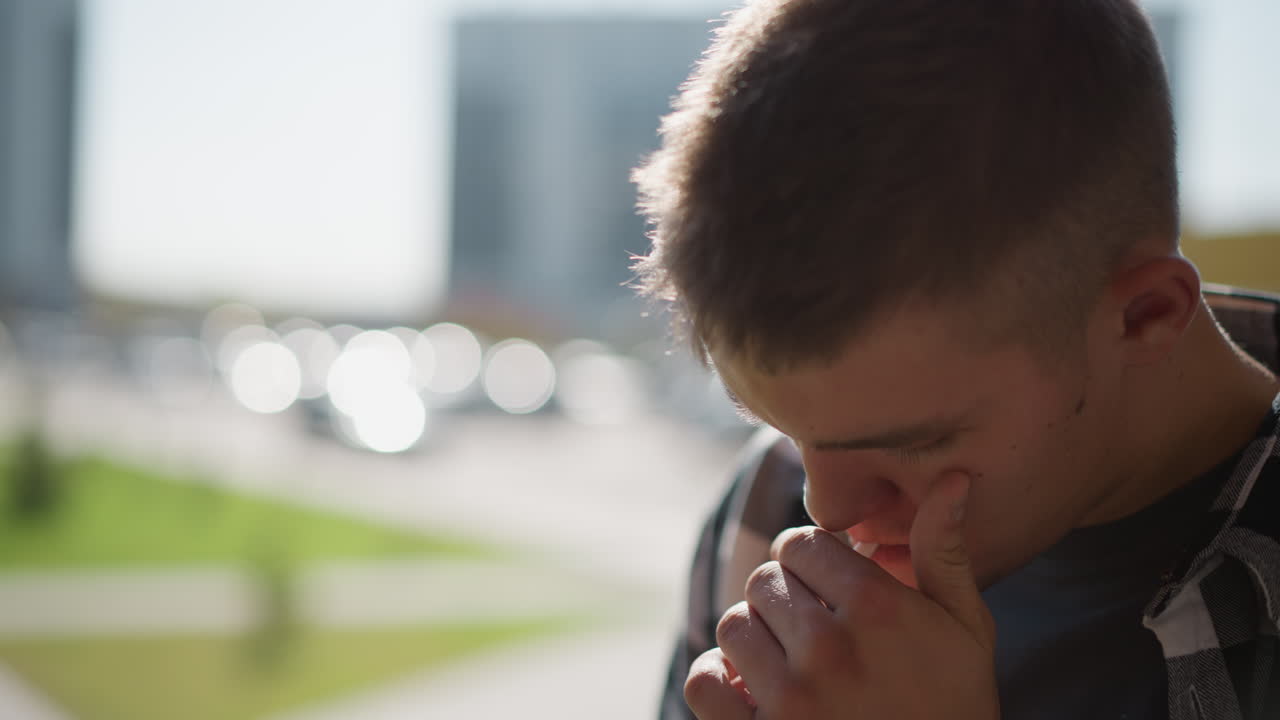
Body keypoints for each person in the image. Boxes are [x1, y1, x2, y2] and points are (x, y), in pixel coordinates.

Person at [629, 1, 1280, 718]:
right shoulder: (763, 504)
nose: (823, 507)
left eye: (914, 442)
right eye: (783, 423)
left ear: (1144, 316)